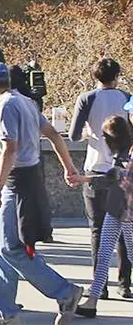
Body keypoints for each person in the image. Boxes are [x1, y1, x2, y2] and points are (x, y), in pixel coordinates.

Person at [0, 62, 84, 325]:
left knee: (10, 249)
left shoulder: (6, 107)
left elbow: (10, 149)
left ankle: (65, 292)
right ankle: (5, 313)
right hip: (27, 179)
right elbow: (54, 135)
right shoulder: (27, 102)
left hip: (16, 183)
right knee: (0, 250)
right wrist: (69, 168)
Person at [69, 58, 132, 299]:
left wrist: (88, 132)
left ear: (96, 77)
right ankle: (125, 283)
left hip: (95, 169)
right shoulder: (127, 98)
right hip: (123, 170)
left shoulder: (86, 98)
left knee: (97, 230)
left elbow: (74, 135)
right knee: (125, 228)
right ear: (117, 76)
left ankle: (100, 285)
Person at [76, 115, 133, 317]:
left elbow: (120, 177)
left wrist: (88, 178)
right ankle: (92, 300)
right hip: (117, 208)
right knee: (103, 254)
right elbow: (114, 176)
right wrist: (85, 179)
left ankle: (92, 300)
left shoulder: (129, 151)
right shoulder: (123, 152)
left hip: (127, 212)